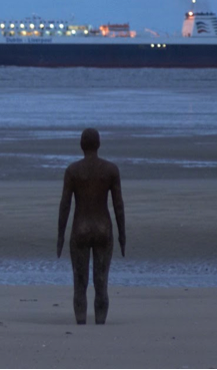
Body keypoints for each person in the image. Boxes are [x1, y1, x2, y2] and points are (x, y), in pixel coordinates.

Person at [57, 128, 126, 325]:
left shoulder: (73, 171)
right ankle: (100, 323)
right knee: (101, 281)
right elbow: (118, 205)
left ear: (81, 145)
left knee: (80, 283)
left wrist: (60, 236)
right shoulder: (111, 170)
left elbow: (65, 205)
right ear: (99, 144)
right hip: (103, 228)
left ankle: (80, 321)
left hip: (80, 228)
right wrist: (122, 235)